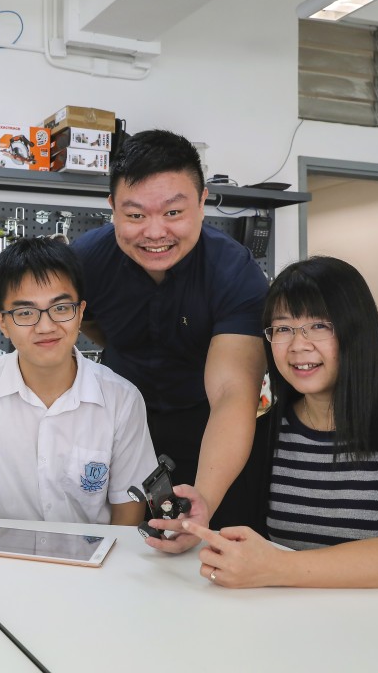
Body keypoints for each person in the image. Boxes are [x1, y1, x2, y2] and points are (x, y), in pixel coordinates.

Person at [179, 256, 378, 614]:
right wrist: (191, 526)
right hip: (288, 625)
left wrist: (274, 567)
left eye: (319, 326)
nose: (298, 345)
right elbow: (235, 542)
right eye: (283, 328)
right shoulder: (262, 435)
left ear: (357, 330)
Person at [0, 237, 158, 556]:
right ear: (2, 322)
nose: (45, 326)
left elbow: (127, 516)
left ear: (80, 313)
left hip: (86, 575)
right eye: (25, 313)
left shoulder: (122, 399)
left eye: (61, 308)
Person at [71, 129, 267, 550]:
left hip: (210, 432)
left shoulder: (233, 271)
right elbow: (84, 324)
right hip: (118, 430)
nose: (154, 233)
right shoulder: (84, 261)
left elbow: (234, 392)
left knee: (211, 559)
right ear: (112, 208)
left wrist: (206, 499)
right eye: (136, 215)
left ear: (202, 202)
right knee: (113, 556)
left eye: (174, 213)